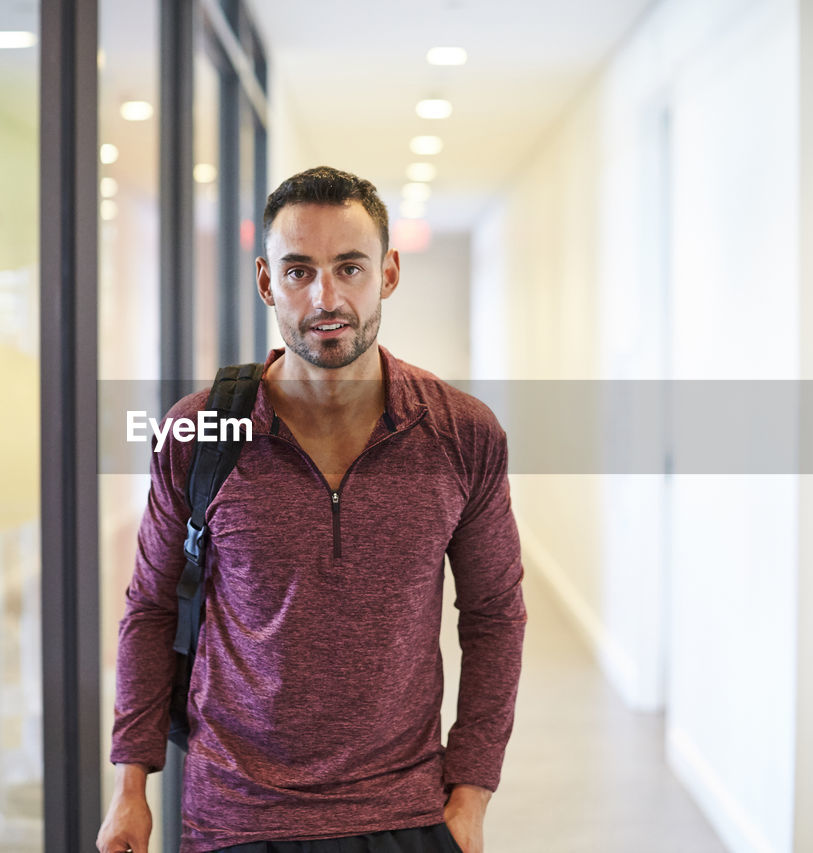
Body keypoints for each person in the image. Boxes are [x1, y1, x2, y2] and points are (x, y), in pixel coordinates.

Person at [98, 166, 526, 853]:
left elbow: (495, 615)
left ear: (386, 272)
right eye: (299, 271)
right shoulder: (199, 429)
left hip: (402, 809)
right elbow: (149, 606)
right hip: (234, 814)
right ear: (268, 281)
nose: (326, 296)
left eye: (348, 267)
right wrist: (130, 788)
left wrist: (471, 792)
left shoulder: (462, 434)